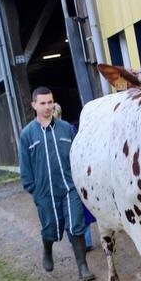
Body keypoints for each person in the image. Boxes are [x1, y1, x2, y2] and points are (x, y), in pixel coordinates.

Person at [18, 87, 95, 280]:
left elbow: (79, 154)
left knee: (76, 225)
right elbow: (25, 166)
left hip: (70, 187)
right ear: (34, 105)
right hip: (44, 191)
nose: (47, 107)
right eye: (42, 103)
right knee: (50, 228)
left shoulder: (66, 129)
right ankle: (47, 250)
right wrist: (33, 189)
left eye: (50, 102)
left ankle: (82, 266)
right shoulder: (27, 134)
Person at [52, 102, 96, 251]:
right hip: (65, 174)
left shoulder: (69, 130)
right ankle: (80, 240)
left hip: (72, 173)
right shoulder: (59, 130)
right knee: (71, 208)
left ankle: (84, 241)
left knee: (78, 207)